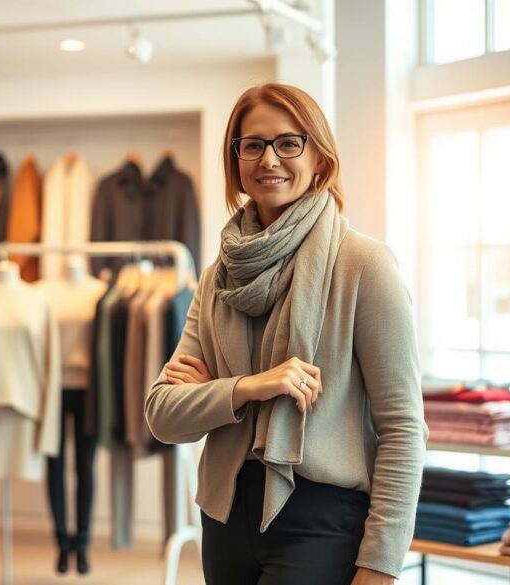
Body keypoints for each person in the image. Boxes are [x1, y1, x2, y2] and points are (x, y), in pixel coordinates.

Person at [145, 83, 426, 585]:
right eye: (252, 145)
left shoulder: (364, 265)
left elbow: (403, 427)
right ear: (236, 159)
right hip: (224, 515)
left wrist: (381, 561)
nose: (269, 159)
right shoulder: (216, 279)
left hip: (321, 522)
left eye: (288, 143)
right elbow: (163, 414)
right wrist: (249, 387)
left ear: (319, 157)